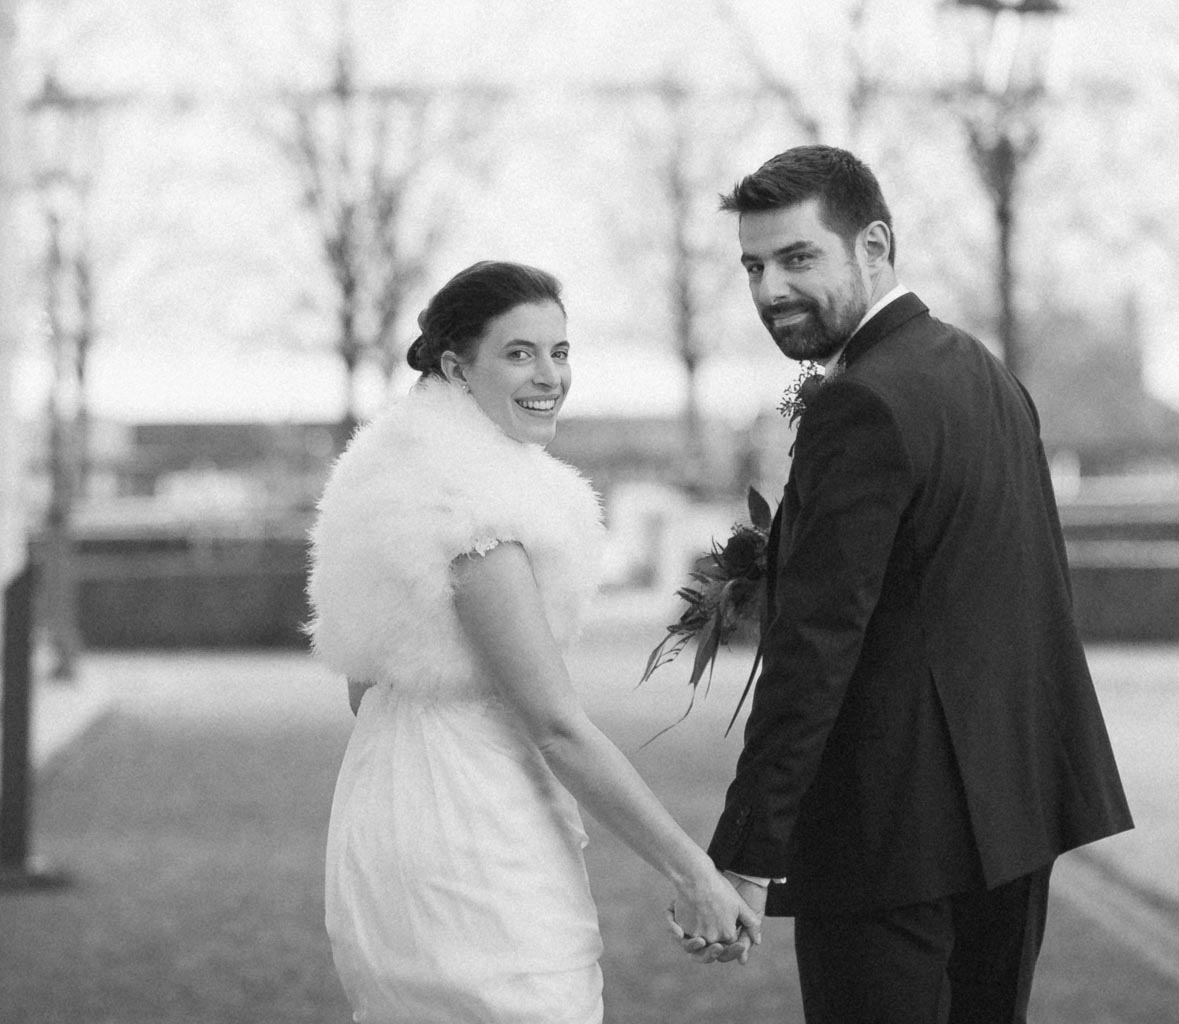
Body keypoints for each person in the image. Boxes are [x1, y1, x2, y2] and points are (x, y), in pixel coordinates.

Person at [701, 145, 1135, 1023]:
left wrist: (745, 853)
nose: (770, 289)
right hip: (1012, 824)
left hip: (888, 843)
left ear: (874, 246)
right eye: (754, 266)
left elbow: (815, 651)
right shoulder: (985, 375)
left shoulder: (859, 404)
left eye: (797, 258)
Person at [309, 260, 762, 1023]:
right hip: (470, 835)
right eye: (519, 353)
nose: (549, 374)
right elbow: (556, 726)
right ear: (457, 365)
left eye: (560, 351)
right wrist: (694, 873)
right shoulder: (478, 515)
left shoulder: (391, 479)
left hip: (380, 806)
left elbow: (366, 684)